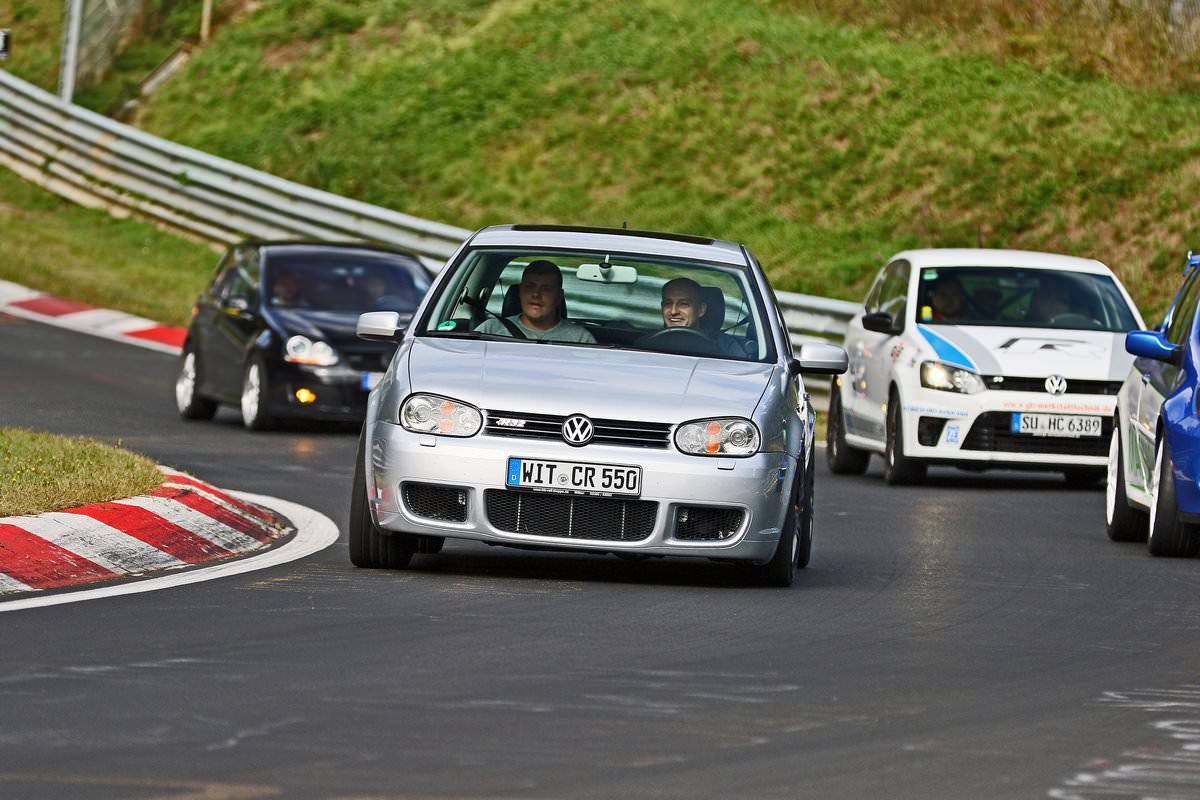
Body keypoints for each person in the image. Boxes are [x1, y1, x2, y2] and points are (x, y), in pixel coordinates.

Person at [476, 260, 596, 343]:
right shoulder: (489, 330)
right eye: (530, 287)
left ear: (559, 297)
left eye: (546, 289)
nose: (536, 295)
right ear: (520, 291)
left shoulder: (581, 339)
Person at [658, 277, 743, 357]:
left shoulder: (725, 346)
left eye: (684, 304)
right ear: (662, 308)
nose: (673, 311)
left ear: (700, 309)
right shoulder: (648, 343)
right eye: (668, 304)